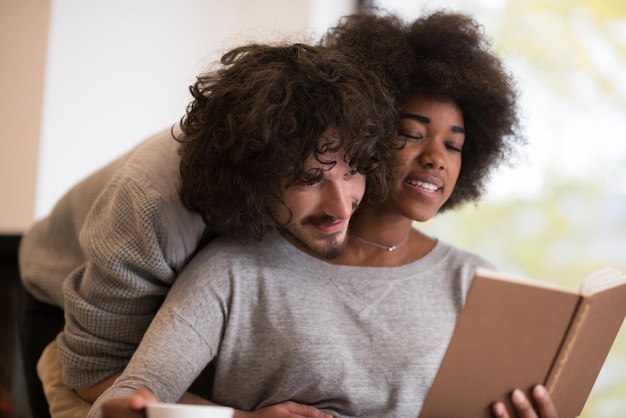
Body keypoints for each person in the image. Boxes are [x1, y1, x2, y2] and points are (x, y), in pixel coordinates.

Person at [89, 9, 559, 418]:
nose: (437, 157)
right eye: (412, 134)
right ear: (369, 131)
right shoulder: (231, 270)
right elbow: (123, 395)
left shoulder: (477, 283)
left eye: (454, 145)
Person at [18, 42, 396, 418]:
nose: (342, 206)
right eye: (309, 179)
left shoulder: (327, 192)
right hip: (64, 304)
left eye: (352, 171)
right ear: (254, 175)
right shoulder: (151, 205)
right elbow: (95, 374)